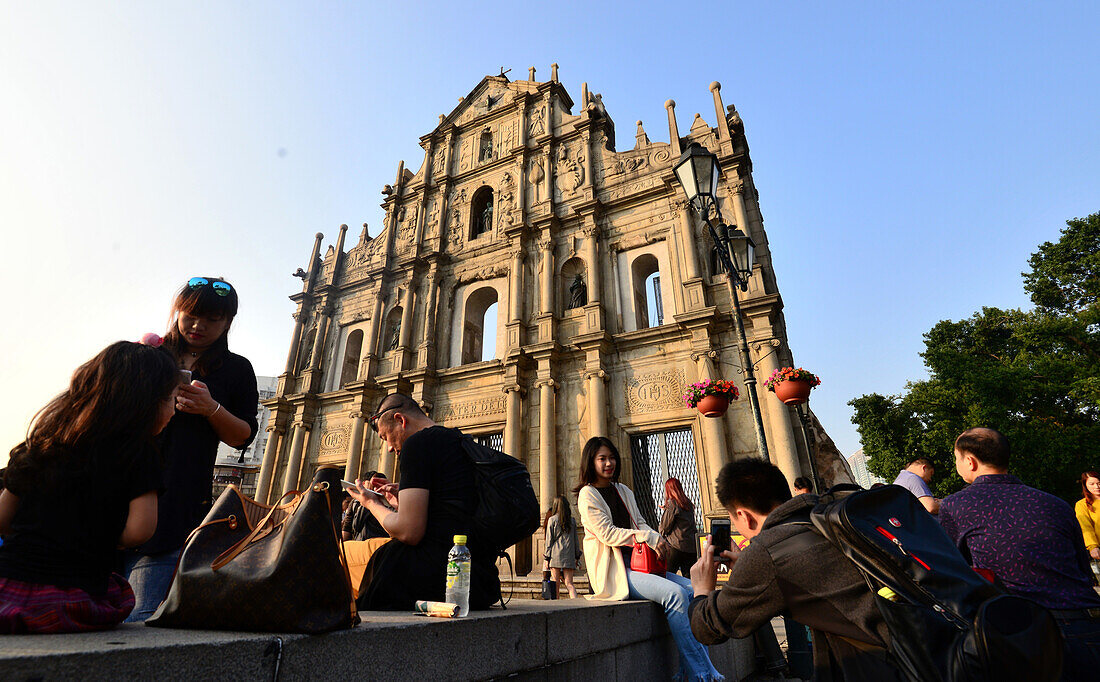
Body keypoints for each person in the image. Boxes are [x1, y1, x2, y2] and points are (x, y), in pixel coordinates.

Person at [0, 341, 179, 633]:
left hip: (7, 587)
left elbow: (2, 518)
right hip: (70, 595)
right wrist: (100, 536)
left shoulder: (44, 443)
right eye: (171, 399)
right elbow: (140, 530)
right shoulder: (139, 452)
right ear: (147, 402)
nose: (174, 411)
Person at [689, 458, 905, 681]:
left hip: (879, 667)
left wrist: (702, 590)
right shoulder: (824, 517)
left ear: (743, 516)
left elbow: (708, 628)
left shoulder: (768, 552)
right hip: (915, 647)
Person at [123, 277, 258, 622]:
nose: (198, 326)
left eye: (212, 319)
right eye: (190, 315)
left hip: (176, 506)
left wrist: (211, 408)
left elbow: (243, 435)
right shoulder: (148, 355)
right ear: (177, 311)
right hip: (118, 493)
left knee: (145, 615)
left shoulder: (236, 369)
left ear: (228, 322)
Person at [940, 427, 1100, 681]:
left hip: (1026, 635)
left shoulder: (956, 505)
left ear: (970, 462)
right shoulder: (1055, 503)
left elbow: (953, 572)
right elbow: (1084, 571)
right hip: (1088, 625)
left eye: (956, 458)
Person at [576, 437, 723, 681]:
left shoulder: (623, 490)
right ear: (590, 462)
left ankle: (690, 671)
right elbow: (607, 533)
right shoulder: (587, 494)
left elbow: (641, 522)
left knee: (695, 591)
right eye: (602, 458)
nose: (609, 463)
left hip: (642, 563)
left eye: (611, 457)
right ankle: (701, 674)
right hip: (617, 570)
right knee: (675, 595)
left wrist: (657, 538)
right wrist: (650, 539)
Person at [344, 393, 501, 610]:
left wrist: (370, 502)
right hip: (479, 580)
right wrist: (402, 503)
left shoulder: (417, 444)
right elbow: (450, 511)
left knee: (338, 556)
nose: (389, 448)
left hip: (431, 575)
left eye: (385, 437)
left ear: (400, 420)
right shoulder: (459, 440)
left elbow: (409, 532)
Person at [659, 477, 698, 579]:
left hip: (676, 546)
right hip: (690, 547)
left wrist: (660, 536)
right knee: (689, 578)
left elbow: (665, 526)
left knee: (667, 576)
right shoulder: (688, 503)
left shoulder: (673, 503)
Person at [543, 495, 579, 599]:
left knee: (556, 584)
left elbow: (549, 541)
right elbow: (576, 540)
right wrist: (577, 556)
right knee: (569, 584)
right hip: (569, 554)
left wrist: (546, 558)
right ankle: (576, 604)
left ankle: (556, 605)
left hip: (555, 555)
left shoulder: (552, 520)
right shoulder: (572, 521)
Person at [342, 470, 390, 542]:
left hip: (381, 546)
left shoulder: (387, 504)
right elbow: (348, 528)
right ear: (363, 484)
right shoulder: (355, 503)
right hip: (360, 546)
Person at [1074, 471, 1100, 564]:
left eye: (1098, 483)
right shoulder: (1082, 505)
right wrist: (1093, 546)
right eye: (1092, 484)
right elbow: (1085, 526)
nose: (1096, 487)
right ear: (1085, 485)